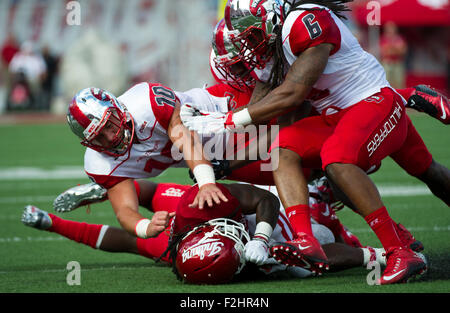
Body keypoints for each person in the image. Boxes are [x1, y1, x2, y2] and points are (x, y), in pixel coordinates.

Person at [179, 0, 438, 284]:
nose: (246, 54)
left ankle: (398, 249)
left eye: (249, 39)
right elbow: (275, 127)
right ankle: (305, 240)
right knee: (286, 149)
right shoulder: (267, 56)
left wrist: (227, 123)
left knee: (336, 161)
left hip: (369, 104)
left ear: (270, 23)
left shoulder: (302, 24)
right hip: (336, 115)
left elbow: (292, 96)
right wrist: (225, 154)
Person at [23, 181, 401, 284]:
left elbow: (119, 235)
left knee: (275, 170)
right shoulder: (259, 264)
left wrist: (113, 190)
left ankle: (110, 184)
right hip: (295, 229)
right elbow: (324, 256)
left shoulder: (190, 211)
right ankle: (384, 244)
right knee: (311, 251)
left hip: (262, 205)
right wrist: (377, 256)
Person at [65, 85, 230, 240]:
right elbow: (124, 210)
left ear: (116, 108)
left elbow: (188, 140)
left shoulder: (145, 104)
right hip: (219, 158)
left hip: (225, 111)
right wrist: (146, 226)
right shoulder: (99, 163)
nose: (109, 137)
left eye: (108, 125)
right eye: (98, 137)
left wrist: (206, 182)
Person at [379, 21, 408, 89]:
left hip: (397, 62)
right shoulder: (383, 38)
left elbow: (403, 51)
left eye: (392, 28)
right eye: (389, 28)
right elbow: (384, 51)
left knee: (399, 83)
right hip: (387, 62)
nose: (391, 30)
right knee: (386, 83)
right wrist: (396, 48)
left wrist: (391, 48)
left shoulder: (399, 38)